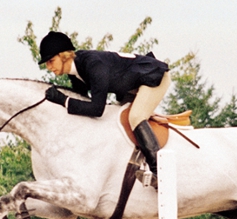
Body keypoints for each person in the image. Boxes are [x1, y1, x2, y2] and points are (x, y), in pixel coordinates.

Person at [38, 31, 171, 188]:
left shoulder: (93, 64)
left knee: (135, 117)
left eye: (51, 61)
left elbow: (96, 108)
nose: (48, 67)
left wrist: (63, 100)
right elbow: (83, 102)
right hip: (132, 86)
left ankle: (159, 172)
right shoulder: (76, 71)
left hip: (153, 77)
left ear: (64, 55)